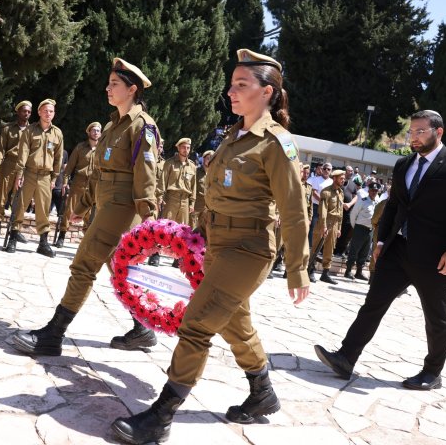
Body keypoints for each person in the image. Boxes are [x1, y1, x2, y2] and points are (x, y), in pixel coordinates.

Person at [109, 49, 310, 444]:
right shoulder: (234, 136)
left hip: (249, 249)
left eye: (242, 85)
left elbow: (294, 208)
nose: (231, 91)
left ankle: (162, 414)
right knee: (235, 322)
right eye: (232, 83)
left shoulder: (276, 143)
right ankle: (262, 392)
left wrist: (298, 268)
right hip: (217, 244)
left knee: (197, 324)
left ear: (267, 92)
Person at [314, 109, 446, 391]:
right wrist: (381, 242)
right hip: (398, 250)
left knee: (435, 316)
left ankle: (432, 372)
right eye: (411, 132)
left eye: (420, 132)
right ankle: (346, 357)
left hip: (435, 258)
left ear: (438, 132)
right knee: (373, 304)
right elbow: (394, 206)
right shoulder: (404, 165)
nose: (413, 138)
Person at [8, 57, 161, 357]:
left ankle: (53, 334)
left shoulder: (143, 127)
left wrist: (151, 222)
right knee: (120, 270)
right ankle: (142, 328)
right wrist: (84, 204)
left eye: (114, 84)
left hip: (121, 208)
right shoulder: (112, 125)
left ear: (131, 89)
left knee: (83, 265)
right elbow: (99, 171)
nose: (107, 88)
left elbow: (146, 177)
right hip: (105, 205)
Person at [9, 99, 64, 257]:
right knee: (20, 205)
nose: (48, 114)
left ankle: (43, 243)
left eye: (51, 111)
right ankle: (13, 236)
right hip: (29, 173)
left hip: (46, 176)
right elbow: (23, 153)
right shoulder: (30, 130)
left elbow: (58, 158)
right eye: (45, 110)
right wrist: (20, 174)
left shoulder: (57, 133)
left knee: (43, 209)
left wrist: (54, 178)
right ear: (39, 112)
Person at [148, 137, 197, 266]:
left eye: (188, 147)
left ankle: (178, 257)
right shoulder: (169, 163)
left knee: (182, 230)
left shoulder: (192, 166)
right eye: (183, 147)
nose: (185, 150)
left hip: (185, 201)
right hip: (171, 198)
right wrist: (160, 197)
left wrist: (192, 202)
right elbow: (162, 181)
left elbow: (194, 186)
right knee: (164, 228)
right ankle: (155, 255)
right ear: (178, 147)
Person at [0, 100, 32, 244]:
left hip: (25, 168)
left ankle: (15, 229)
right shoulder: (8, 129)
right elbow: (1, 148)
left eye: (28, 112)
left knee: (19, 200)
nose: (26, 114)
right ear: (18, 112)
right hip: (9, 164)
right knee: (1, 196)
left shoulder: (33, 130)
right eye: (24, 111)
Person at [56, 122, 101, 247]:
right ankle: (62, 235)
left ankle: (87, 242)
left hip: (95, 185)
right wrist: (65, 183)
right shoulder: (80, 147)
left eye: (98, 130)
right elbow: (69, 167)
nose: (96, 132)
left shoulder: (103, 149)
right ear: (89, 132)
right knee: (69, 210)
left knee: (90, 214)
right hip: (79, 183)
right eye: (93, 130)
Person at [309, 169, 345, 284]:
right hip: (325, 222)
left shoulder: (341, 192)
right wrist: (324, 226)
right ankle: (310, 270)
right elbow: (323, 211)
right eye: (341, 178)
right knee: (316, 247)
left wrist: (339, 227)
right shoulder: (326, 192)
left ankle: (325, 273)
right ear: (334, 178)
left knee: (330, 248)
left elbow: (340, 212)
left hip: (334, 224)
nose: (343, 180)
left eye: (344, 179)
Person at [344, 182, 381, 281]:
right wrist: (355, 226)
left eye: (376, 191)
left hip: (370, 230)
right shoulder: (363, 201)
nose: (374, 192)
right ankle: (348, 271)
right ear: (368, 191)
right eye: (372, 190)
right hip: (360, 228)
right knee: (354, 250)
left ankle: (359, 272)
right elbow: (353, 214)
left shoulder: (377, 202)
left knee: (365, 252)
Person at [334, 166, 358, 256]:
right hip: (337, 211)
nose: (351, 172)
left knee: (345, 232)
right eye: (349, 171)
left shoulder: (352, 184)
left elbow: (355, 196)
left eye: (352, 171)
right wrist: (341, 204)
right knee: (335, 231)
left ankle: (340, 251)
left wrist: (349, 204)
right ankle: (332, 250)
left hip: (348, 212)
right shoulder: (338, 182)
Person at [307, 161, 332, 246]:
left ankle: (317, 247)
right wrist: (323, 202)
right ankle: (310, 246)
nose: (326, 170)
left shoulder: (332, 182)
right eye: (324, 168)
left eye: (328, 169)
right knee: (313, 227)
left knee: (323, 228)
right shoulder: (316, 179)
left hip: (327, 208)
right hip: (316, 206)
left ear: (331, 171)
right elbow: (314, 192)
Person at [191, 150, 214, 229]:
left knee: (203, 229)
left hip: (207, 207)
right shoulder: (196, 171)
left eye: (212, 158)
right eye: (208, 158)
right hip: (196, 205)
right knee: (192, 227)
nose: (209, 160)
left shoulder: (214, 174)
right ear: (203, 159)